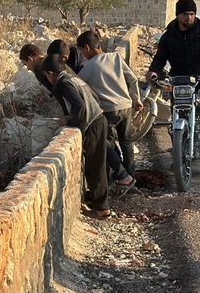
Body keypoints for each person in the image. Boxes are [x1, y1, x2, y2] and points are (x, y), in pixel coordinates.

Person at [42, 55, 135, 218]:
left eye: (46, 76)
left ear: (50, 73)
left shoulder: (65, 83)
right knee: (98, 164)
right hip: (99, 119)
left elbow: (79, 106)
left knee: (95, 168)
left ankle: (103, 209)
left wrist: (69, 120)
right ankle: (100, 199)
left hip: (93, 124)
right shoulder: (72, 78)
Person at [146, 0, 200, 151]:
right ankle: (178, 150)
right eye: (185, 14)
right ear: (178, 15)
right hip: (179, 79)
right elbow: (160, 57)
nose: (189, 17)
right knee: (176, 113)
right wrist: (153, 71)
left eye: (192, 14)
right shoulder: (168, 36)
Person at [76, 29, 143, 175]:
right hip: (125, 106)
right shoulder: (116, 57)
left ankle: (117, 176)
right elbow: (132, 79)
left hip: (108, 110)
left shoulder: (88, 67)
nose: (82, 55)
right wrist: (136, 99)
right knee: (126, 142)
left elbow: (77, 86)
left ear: (87, 48)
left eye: (82, 51)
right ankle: (131, 174)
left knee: (107, 143)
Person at [19, 43, 76, 114]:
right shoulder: (51, 59)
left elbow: (58, 93)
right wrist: (49, 96)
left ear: (30, 59)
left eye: (25, 64)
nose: (27, 68)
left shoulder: (40, 69)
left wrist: (66, 115)